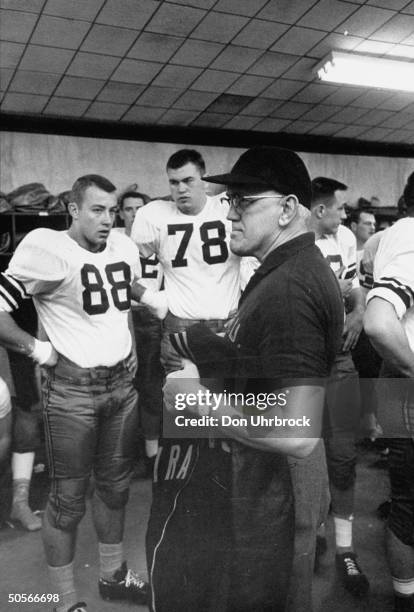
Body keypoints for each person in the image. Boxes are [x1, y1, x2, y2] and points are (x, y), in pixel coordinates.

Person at [159, 146, 344, 612]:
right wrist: (211, 348)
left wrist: (195, 402)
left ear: (286, 209)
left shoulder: (290, 287)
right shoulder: (283, 271)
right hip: (271, 482)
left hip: (281, 484)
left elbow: (297, 432)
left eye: (245, 202)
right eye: (230, 202)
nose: (231, 215)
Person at [0, 174, 164, 612]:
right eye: (97, 210)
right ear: (73, 210)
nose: (108, 219)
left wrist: (128, 342)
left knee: (115, 489)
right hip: (72, 394)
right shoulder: (47, 248)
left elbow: (118, 292)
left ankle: (112, 576)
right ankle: (64, 601)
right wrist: (37, 349)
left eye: (112, 210)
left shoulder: (122, 246)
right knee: (67, 501)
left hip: (120, 390)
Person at [308, 177, 369, 596]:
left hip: (340, 360)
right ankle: (310, 534)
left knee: (344, 455)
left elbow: (354, 289)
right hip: (302, 363)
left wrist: (360, 309)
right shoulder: (290, 242)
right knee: (304, 457)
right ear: (319, 210)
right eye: (339, 208)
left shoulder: (344, 239)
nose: (344, 215)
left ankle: (346, 550)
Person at [364, 172, 414, 612]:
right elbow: (379, 321)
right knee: (409, 506)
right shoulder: (413, 238)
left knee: (406, 501)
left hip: (394, 378)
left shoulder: (384, 238)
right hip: (407, 382)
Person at [115, 190, 164, 470]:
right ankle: (125, 453)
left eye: (139, 208)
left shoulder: (156, 240)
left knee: (152, 389)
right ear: (121, 213)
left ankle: (151, 455)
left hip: (152, 318)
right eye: (129, 208)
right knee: (126, 389)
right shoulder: (114, 243)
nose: (134, 214)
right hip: (123, 317)